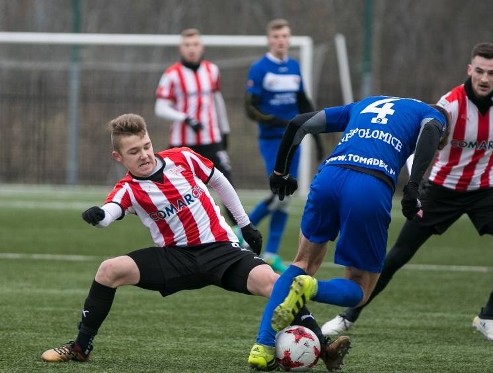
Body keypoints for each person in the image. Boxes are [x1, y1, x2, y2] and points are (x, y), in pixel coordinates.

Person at [40, 114, 349, 370]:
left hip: (222, 252)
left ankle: (325, 347)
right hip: (176, 259)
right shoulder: (129, 188)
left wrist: (245, 224)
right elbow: (112, 211)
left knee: (276, 283)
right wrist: (99, 215)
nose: (144, 154)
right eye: (134, 152)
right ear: (118, 157)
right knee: (109, 270)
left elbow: (218, 181)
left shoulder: (183, 158)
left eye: (146, 146)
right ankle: (80, 347)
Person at [321, 42, 493, 343]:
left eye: (491, 72)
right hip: (439, 191)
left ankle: (489, 315)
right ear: (469, 70)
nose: (484, 78)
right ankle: (348, 316)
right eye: (479, 71)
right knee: (397, 255)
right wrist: (416, 183)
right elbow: (418, 141)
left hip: (484, 192)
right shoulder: (449, 104)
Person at [247, 96, 450, 371]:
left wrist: (280, 171)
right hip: (369, 186)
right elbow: (429, 131)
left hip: (329, 177)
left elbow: (299, 123)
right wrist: (413, 188)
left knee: (302, 263)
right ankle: (311, 288)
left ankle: (262, 347)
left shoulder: (366, 103)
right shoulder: (432, 115)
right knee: (360, 288)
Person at [244, 18, 324, 273]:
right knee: (277, 187)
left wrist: (319, 136)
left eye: (285, 36)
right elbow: (250, 108)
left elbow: (303, 102)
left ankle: (271, 252)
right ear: (270, 40)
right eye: (277, 36)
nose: (281, 41)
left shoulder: (294, 67)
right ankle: (242, 229)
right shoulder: (259, 69)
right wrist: (277, 121)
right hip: (271, 139)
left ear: (289, 39)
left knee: (286, 195)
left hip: (295, 139)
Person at [155, 28, 241, 236]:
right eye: (187, 45)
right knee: (173, 191)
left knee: (226, 184)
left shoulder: (212, 70)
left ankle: (242, 233)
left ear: (201, 47)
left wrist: (225, 130)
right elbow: (160, 108)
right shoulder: (171, 75)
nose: (191, 49)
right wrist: (185, 118)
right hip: (180, 144)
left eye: (195, 44)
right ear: (180, 48)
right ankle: (177, 234)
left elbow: (217, 101)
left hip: (211, 140)